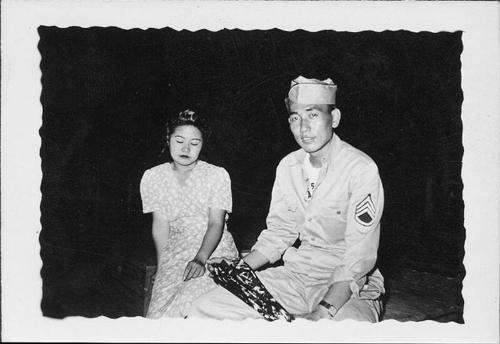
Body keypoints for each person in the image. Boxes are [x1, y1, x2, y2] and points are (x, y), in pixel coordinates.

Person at [188, 76, 385, 322]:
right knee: (205, 308)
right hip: (297, 275)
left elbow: (358, 257)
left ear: (334, 118)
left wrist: (321, 313)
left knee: (346, 331)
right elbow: (280, 233)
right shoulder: (288, 166)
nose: (303, 128)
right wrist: (240, 270)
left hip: (348, 287)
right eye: (295, 118)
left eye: (313, 115)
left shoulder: (360, 169)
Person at [140, 109, 239, 318]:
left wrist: (201, 258)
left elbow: (216, 223)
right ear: (168, 139)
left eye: (194, 143)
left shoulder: (216, 175)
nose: (186, 148)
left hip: (213, 251)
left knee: (191, 305)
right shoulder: (153, 177)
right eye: (179, 141)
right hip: (175, 253)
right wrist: (163, 266)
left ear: (202, 145)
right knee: (159, 317)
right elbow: (160, 225)